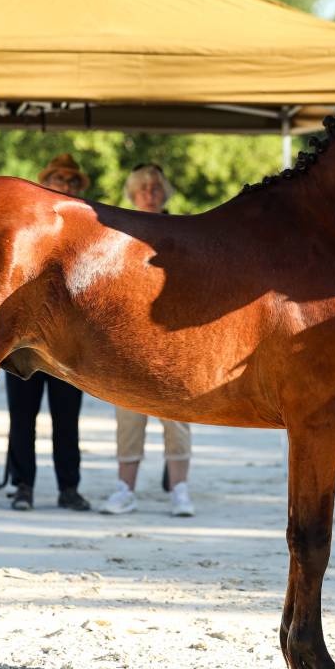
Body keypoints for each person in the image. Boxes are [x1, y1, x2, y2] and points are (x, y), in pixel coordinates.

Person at [0, 153, 92, 512]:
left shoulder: (86, 230)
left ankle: (69, 487)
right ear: (45, 183)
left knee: (67, 419)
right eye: (59, 179)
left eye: (71, 181)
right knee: (22, 417)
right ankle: (23, 485)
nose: (65, 185)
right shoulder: (28, 224)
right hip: (24, 336)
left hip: (65, 337)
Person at [99, 164, 195, 518]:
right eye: (143, 188)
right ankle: (125, 489)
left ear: (164, 191)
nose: (150, 193)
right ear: (133, 193)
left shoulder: (181, 229)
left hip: (172, 337)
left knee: (177, 416)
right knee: (128, 415)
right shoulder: (120, 230)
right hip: (130, 337)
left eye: (155, 187)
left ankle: (180, 489)